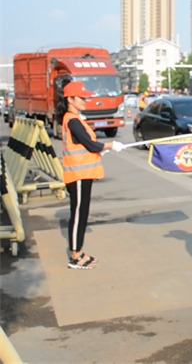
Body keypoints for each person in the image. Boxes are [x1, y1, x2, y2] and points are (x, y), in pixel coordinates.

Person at [61, 81, 125, 269]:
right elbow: (91, 145)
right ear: (70, 99)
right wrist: (111, 145)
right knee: (78, 215)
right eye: (82, 98)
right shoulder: (72, 120)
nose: (85, 100)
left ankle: (79, 252)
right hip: (78, 175)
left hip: (84, 174)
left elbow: (86, 144)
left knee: (82, 213)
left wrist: (100, 150)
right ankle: (74, 256)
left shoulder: (75, 119)